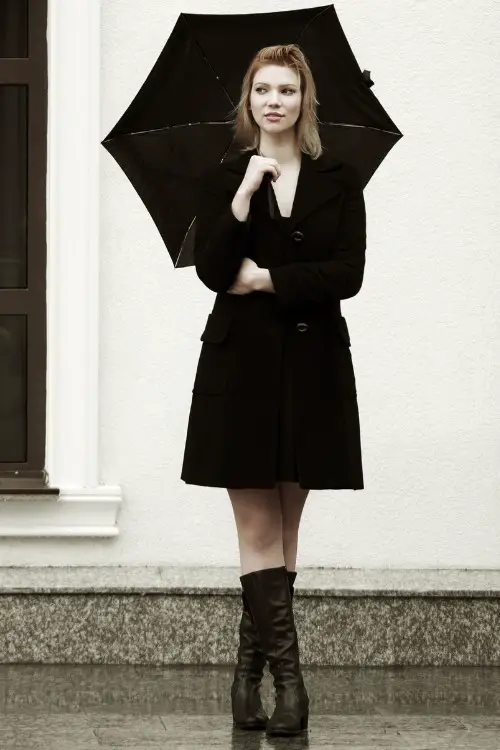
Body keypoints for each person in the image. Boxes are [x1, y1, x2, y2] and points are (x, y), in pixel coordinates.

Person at [180, 43, 366, 737]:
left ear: (303, 99)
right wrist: (242, 193)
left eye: (287, 90)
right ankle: (291, 687)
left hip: (314, 368)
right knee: (259, 528)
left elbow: (347, 273)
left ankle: (243, 684)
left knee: (288, 530)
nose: (275, 101)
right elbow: (211, 270)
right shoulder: (226, 174)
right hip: (242, 372)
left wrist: (270, 280)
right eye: (263, 90)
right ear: (249, 100)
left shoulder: (339, 177)